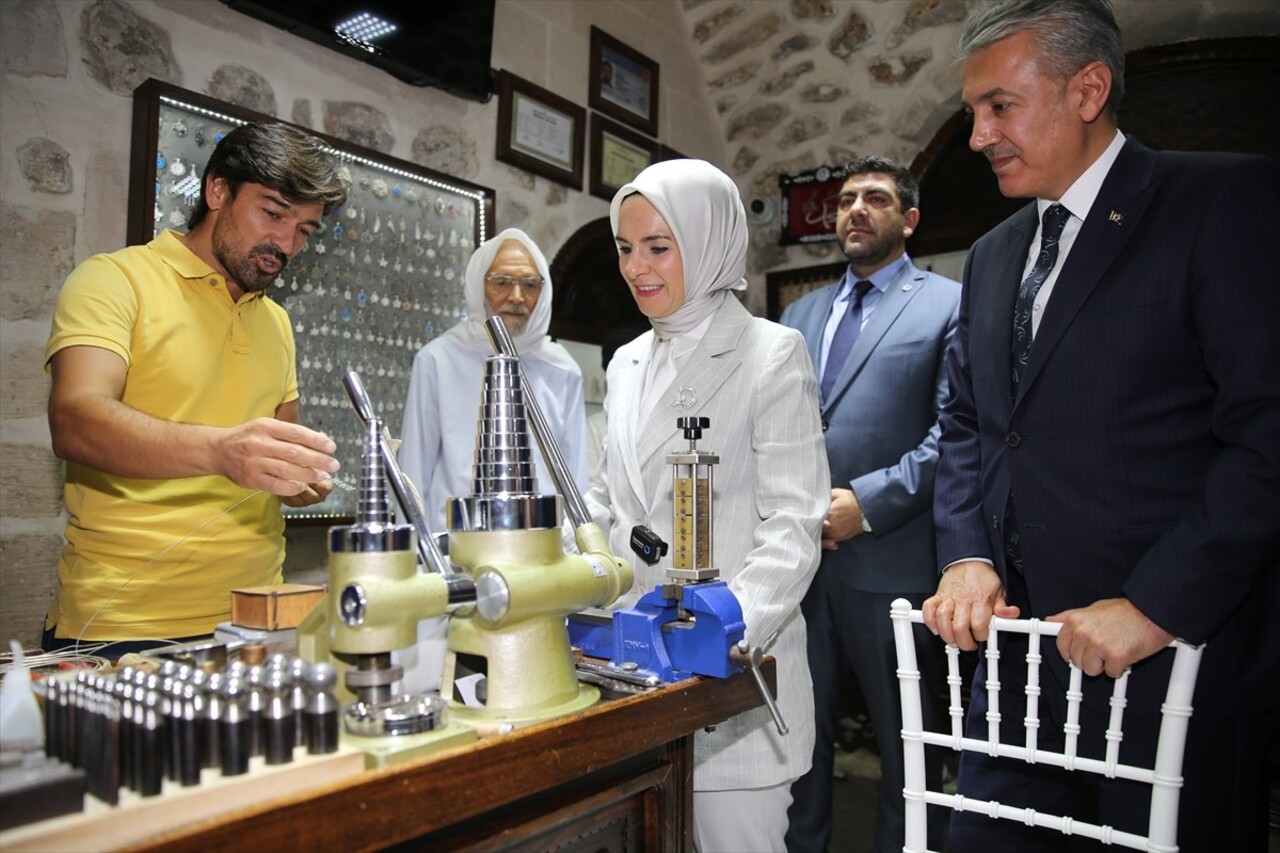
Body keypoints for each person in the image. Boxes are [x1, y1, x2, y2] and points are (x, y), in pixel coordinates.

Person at [922, 1, 1280, 850]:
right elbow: (971, 423)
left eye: (998, 106)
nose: (978, 136)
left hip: (1173, 669)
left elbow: (1267, 430)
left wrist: (1156, 604)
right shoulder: (992, 253)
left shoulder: (1222, 200)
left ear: (1088, 90)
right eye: (973, 111)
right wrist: (968, 555)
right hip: (1015, 669)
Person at [588, 158, 829, 852]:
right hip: (639, 677)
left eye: (658, 247)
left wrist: (722, 629)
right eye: (626, 249)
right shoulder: (627, 361)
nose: (638, 268)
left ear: (709, 241)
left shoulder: (771, 353)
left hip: (732, 685)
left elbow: (793, 525)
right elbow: (611, 499)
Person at [44, 121, 349, 654]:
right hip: (123, 628)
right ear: (216, 191)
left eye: (305, 230)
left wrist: (298, 475)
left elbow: (281, 449)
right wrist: (220, 451)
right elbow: (75, 420)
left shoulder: (275, 322)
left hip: (258, 620)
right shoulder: (115, 280)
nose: (285, 243)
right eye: (273, 213)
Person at [781, 157, 959, 853]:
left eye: (876, 199)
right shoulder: (799, 315)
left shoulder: (947, 304)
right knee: (801, 738)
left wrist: (869, 502)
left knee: (907, 749)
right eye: (847, 199)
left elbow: (958, 432)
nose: (856, 209)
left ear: (908, 219)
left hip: (892, 561)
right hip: (800, 566)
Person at [399, 228, 588, 532]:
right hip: (455, 548)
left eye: (530, 284)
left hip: (543, 551)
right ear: (478, 286)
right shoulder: (438, 360)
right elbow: (413, 470)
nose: (516, 296)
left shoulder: (562, 370)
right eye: (501, 283)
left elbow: (576, 479)